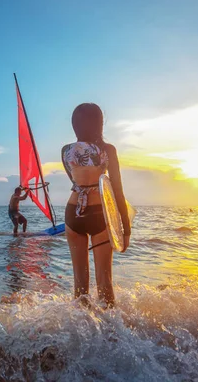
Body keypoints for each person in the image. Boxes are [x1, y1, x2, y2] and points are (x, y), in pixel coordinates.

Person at [61, 103, 130, 308]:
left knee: (80, 287)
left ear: (75, 124)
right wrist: (125, 228)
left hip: (73, 213)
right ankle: (109, 336)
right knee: (105, 284)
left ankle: (80, 335)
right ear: (99, 123)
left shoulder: (66, 151)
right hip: (100, 214)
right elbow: (116, 189)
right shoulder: (107, 150)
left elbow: (75, 182)